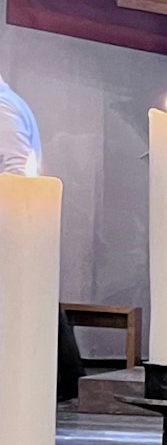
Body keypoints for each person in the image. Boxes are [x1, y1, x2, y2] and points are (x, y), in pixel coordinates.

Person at [0, 72, 80, 400]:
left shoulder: (3, 106)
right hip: (17, 221)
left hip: (13, 220)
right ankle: (66, 382)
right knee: (36, 302)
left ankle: (64, 383)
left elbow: (17, 168)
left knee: (33, 304)